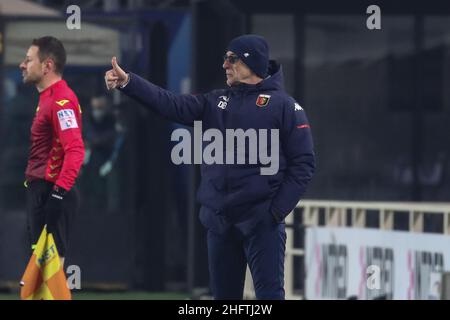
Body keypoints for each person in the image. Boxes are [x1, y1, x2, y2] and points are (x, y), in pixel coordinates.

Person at [105, 34, 315, 299]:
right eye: (225, 58)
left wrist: (274, 212)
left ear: (252, 63)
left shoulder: (284, 106)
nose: (225, 65)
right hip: (220, 222)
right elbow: (171, 104)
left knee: (269, 297)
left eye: (232, 59)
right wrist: (129, 83)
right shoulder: (216, 101)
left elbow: (304, 164)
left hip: (261, 222)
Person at [20, 36, 85, 267]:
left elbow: (75, 150)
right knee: (40, 277)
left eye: (28, 60)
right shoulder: (47, 99)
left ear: (47, 65)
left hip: (51, 192)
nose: (22, 65)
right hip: (41, 191)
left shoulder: (61, 101)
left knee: (50, 276)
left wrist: (58, 195)